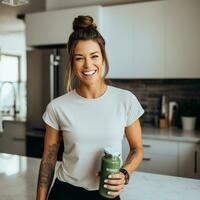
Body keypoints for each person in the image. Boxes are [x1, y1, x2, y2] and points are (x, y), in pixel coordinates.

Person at [36, 15, 144, 200]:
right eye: (79, 58)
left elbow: (137, 149)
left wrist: (125, 173)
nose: (88, 64)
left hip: (107, 193)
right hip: (65, 193)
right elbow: (48, 160)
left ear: (102, 59)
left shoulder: (125, 101)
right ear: (72, 63)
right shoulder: (57, 107)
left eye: (94, 56)